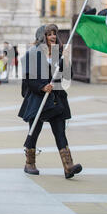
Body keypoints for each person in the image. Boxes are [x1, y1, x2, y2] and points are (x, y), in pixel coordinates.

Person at [18, 24, 82, 179]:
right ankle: (30, 163)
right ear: (42, 36)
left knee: (60, 132)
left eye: (54, 33)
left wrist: (66, 61)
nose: (53, 36)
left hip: (55, 100)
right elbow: (28, 79)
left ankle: (68, 166)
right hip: (37, 99)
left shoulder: (58, 54)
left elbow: (68, 76)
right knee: (34, 131)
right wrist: (41, 87)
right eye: (49, 34)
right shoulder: (32, 54)